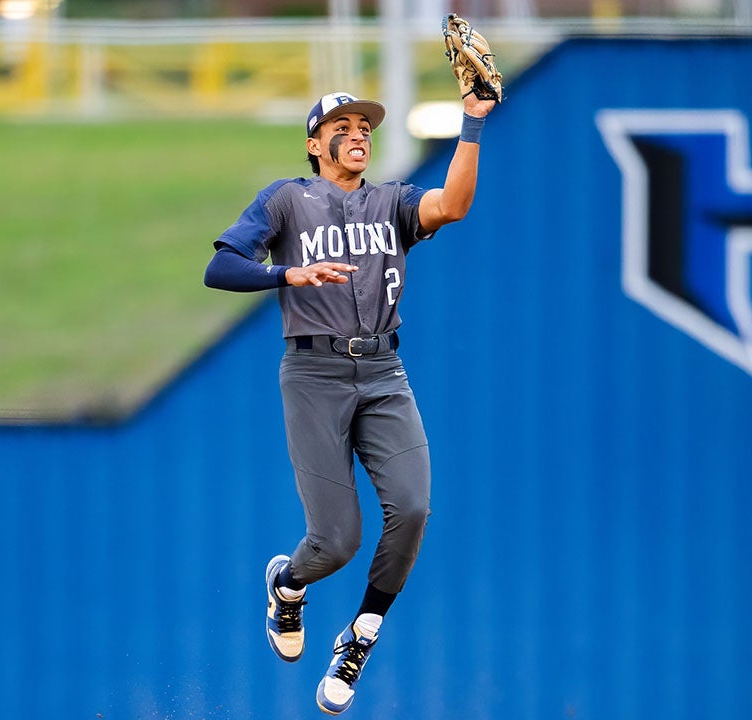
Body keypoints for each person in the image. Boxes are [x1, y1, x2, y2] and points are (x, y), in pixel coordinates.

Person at [203, 87, 495, 715]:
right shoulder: (287, 199)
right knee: (335, 543)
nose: (358, 133)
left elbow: (455, 204)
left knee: (413, 508)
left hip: (384, 369)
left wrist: (470, 124)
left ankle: (361, 635)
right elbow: (221, 267)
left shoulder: (390, 201)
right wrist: (285, 274)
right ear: (314, 144)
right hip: (313, 373)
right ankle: (288, 584)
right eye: (342, 125)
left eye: (365, 125)